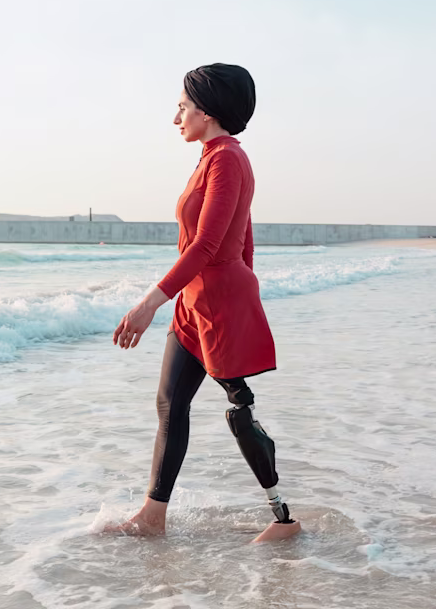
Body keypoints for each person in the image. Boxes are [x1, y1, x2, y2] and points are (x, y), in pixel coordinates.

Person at [109, 63, 301, 542]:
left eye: (182, 107)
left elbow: (211, 245)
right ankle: (153, 516)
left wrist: (151, 301)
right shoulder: (212, 157)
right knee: (170, 404)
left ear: (207, 111)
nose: (176, 117)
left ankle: (283, 519)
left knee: (240, 408)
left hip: (217, 306)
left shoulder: (228, 160)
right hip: (196, 304)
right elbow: (246, 238)